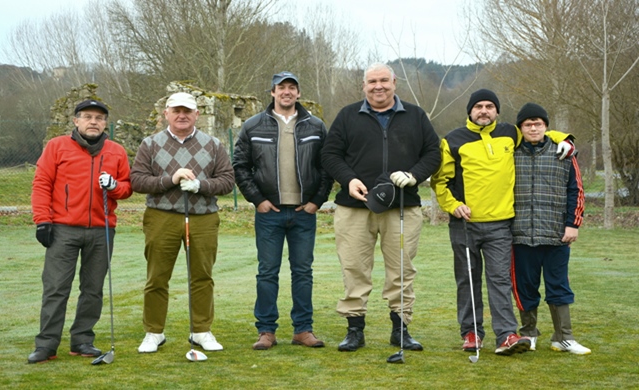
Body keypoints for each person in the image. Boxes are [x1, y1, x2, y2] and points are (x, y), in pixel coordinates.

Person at [430, 89, 575, 356]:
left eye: (489, 106)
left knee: (500, 281)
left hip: (500, 225)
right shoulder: (452, 140)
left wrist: (563, 138)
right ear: (470, 111)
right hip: (464, 224)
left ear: (497, 111)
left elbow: (536, 131)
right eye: (478, 107)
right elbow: (440, 181)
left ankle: (507, 334)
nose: (483, 111)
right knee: (467, 280)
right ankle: (471, 332)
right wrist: (453, 206)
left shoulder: (510, 133)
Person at [321, 62, 441, 352]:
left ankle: (400, 330)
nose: (378, 86)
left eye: (384, 81)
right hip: (354, 208)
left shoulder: (415, 115)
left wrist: (414, 175)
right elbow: (330, 153)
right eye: (372, 81)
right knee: (354, 268)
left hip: (402, 208)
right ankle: (354, 330)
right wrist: (348, 179)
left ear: (394, 83)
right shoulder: (348, 116)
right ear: (363, 86)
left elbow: (433, 153)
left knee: (401, 269)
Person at [233, 71, 332, 350]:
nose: (287, 92)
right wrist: (257, 200)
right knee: (267, 272)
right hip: (269, 212)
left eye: (292, 87)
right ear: (273, 92)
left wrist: (317, 201)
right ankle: (266, 331)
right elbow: (240, 166)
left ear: (298, 93)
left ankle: (303, 329)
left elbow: (327, 167)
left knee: (303, 272)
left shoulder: (315, 126)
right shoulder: (253, 126)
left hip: (304, 212)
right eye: (281, 88)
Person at [28, 100, 132, 364]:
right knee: (55, 288)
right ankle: (47, 344)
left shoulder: (117, 151)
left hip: (102, 230)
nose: (93, 121)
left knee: (93, 288)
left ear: (105, 123)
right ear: (76, 121)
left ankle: (82, 340)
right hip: (63, 229)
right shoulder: (57, 146)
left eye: (99, 117)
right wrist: (43, 220)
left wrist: (115, 186)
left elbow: (127, 188)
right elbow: (42, 184)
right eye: (87, 116)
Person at [130, 92, 234, 353]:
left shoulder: (213, 145)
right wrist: (170, 179)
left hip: (203, 217)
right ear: (166, 113)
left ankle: (201, 331)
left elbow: (227, 181)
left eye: (187, 111)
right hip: (161, 216)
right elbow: (138, 181)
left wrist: (201, 185)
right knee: (157, 277)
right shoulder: (150, 144)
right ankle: (154, 332)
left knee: (202, 277)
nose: (182, 115)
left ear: (197, 114)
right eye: (176, 110)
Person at [512, 103, 590, 355]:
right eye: (527, 124)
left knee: (559, 286)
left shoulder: (565, 153)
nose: (533, 127)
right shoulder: (510, 153)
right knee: (525, 287)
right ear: (520, 128)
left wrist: (573, 224)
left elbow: (575, 190)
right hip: (520, 235)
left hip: (557, 234)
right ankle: (528, 333)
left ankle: (563, 337)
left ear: (546, 126)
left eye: (538, 123)